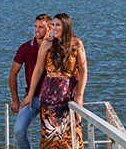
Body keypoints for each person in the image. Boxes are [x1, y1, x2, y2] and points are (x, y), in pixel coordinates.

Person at [21, 13, 87, 149]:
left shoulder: (76, 43)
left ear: (66, 26)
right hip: (49, 95)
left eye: (58, 25)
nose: (54, 28)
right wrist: (30, 95)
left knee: (72, 134)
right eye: (53, 25)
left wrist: (80, 95)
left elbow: (83, 70)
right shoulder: (47, 44)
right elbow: (38, 70)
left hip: (69, 94)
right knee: (50, 136)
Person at [8, 13, 50, 149]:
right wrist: (15, 100)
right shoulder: (25, 48)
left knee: (51, 134)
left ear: (49, 28)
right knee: (18, 130)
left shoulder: (55, 46)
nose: (37, 30)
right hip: (32, 98)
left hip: (51, 98)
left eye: (41, 27)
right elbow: (13, 74)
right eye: (35, 27)